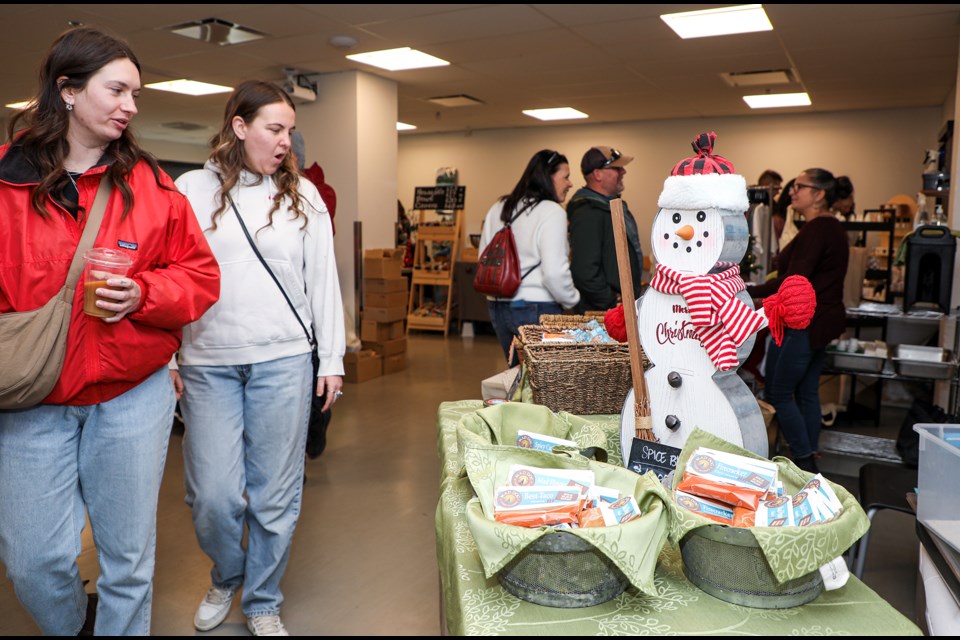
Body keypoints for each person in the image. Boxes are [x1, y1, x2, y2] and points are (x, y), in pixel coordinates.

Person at [0, 26, 220, 636]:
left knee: (128, 560)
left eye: (137, 94)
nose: (131, 105)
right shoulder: (5, 183)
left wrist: (145, 293)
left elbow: (200, 277)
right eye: (117, 90)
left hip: (131, 393)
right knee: (34, 561)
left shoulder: (151, 186)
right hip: (30, 397)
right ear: (67, 90)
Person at [172, 80, 345, 636]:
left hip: (284, 360)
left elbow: (324, 284)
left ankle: (263, 598)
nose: (285, 143)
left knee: (275, 494)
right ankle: (228, 573)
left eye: (290, 131)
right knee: (213, 497)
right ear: (239, 127)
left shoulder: (305, 197)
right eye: (274, 129)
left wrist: (332, 360)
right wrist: (171, 356)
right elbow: (171, 276)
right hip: (207, 361)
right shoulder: (190, 190)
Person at [749, 169, 849, 473]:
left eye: (800, 187)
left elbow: (793, 280)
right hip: (821, 323)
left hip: (804, 323)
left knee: (779, 392)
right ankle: (810, 456)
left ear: (819, 194)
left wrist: (748, 291)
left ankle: (803, 460)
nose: (792, 191)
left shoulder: (818, 229)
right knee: (806, 391)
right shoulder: (826, 228)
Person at [478, 149, 580, 365]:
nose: (570, 184)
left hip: (497, 307)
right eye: (566, 176)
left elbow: (483, 257)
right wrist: (573, 300)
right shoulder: (552, 211)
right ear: (548, 176)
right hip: (537, 307)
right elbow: (553, 273)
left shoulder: (498, 207)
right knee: (543, 383)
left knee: (518, 378)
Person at [568, 146, 643, 311]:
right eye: (617, 168)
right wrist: (610, 300)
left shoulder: (612, 206)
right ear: (597, 174)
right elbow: (584, 271)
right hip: (603, 312)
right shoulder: (587, 211)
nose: (623, 171)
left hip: (617, 309)